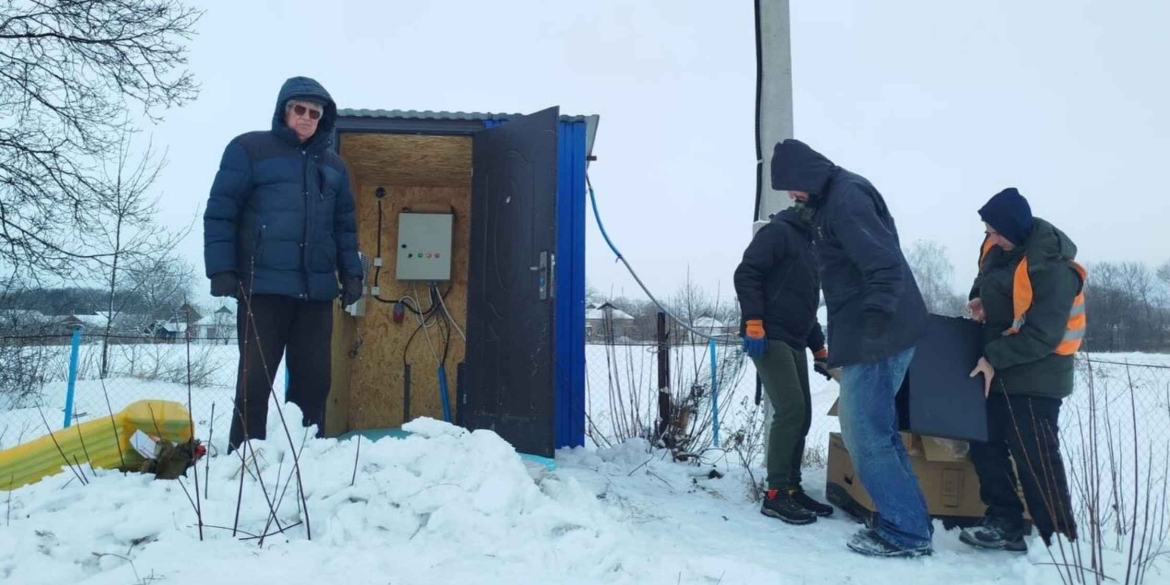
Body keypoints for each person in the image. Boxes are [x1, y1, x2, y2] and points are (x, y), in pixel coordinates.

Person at [770, 139, 932, 558]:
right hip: (872, 332)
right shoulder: (831, 200)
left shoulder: (846, 198)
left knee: (864, 434)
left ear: (805, 175)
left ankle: (905, 532)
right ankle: (910, 524)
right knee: (880, 433)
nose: (792, 195)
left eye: (791, 187)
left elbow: (883, 262)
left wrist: (876, 316)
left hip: (877, 334)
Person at [203, 76, 363, 453]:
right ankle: (243, 460)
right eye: (299, 109)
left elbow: (344, 227)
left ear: (323, 119)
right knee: (254, 381)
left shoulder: (334, 167)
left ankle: (304, 457)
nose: (306, 118)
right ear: (284, 111)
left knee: (315, 381)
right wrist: (221, 269)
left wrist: (352, 274)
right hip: (263, 288)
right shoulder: (249, 149)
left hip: (316, 293)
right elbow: (221, 212)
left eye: (314, 113)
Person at [963, 187, 1083, 552]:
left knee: (1036, 460)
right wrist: (978, 298)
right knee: (984, 444)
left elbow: (1042, 335)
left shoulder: (1054, 269)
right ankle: (1004, 521)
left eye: (996, 231)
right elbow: (988, 282)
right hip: (999, 370)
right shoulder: (999, 251)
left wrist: (992, 357)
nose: (991, 237)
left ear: (1014, 228)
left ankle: (1058, 541)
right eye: (987, 230)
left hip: (1037, 378)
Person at [734, 205, 835, 525]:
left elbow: (806, 306)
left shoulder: (809, 247)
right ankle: (775, 493)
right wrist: (753, 321)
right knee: (791, 409)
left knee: (802, 414)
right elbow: (747, 274)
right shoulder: (778, 233)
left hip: (794, 338)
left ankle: (791, 487)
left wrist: (818, 347)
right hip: (768, 335)